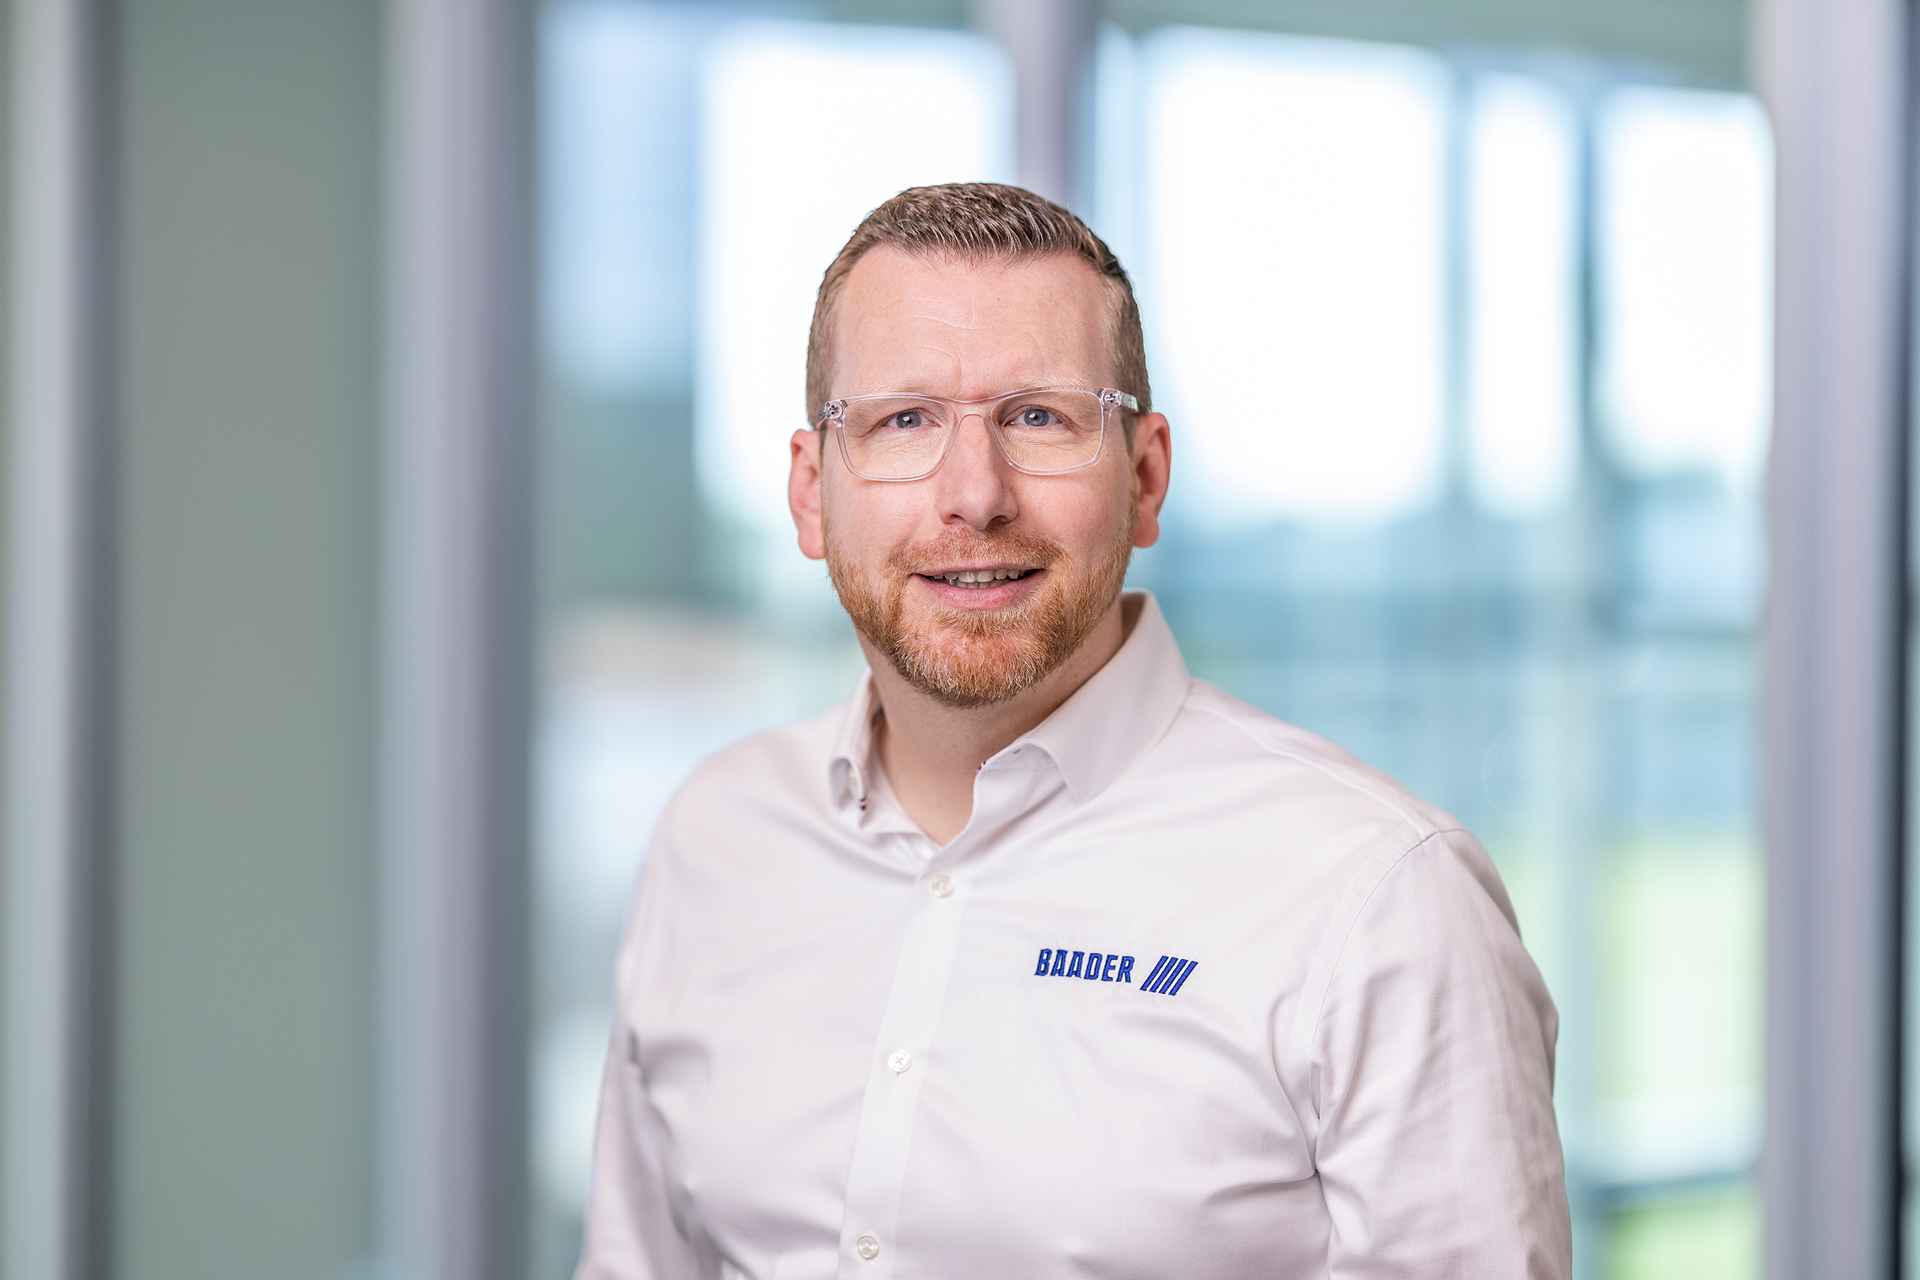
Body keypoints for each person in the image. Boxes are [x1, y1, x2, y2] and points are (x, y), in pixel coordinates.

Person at [575, 182, 1570, 1279]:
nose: (974, 494)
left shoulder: (1380, 899)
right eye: (904, 420)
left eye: (1038, 416)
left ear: (1144, 477)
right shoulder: (717, 834)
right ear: (813, 493)